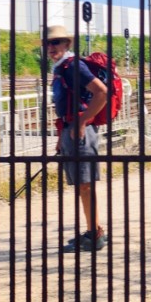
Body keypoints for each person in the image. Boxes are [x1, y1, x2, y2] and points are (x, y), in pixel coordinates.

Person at [45, 25, 109, 252]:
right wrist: (62, 135)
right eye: (48, 43)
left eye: (56, 42)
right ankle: (94, 229)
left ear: (67, 44)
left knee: (85, 185)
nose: (51, 47)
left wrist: (82, 121)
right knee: (83, 185)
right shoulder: (61, 68)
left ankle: (94, 236)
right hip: (70, 130)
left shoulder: (73, 66)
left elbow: (102, 92)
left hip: (81, 132)